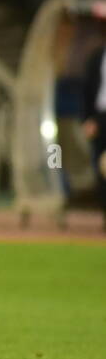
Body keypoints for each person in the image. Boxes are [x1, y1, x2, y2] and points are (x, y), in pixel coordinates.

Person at [82, 41, 106, 231]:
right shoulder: (97, 56)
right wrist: (88, 119)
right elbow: (87, 88)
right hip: (100, 118)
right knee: (101, 169)